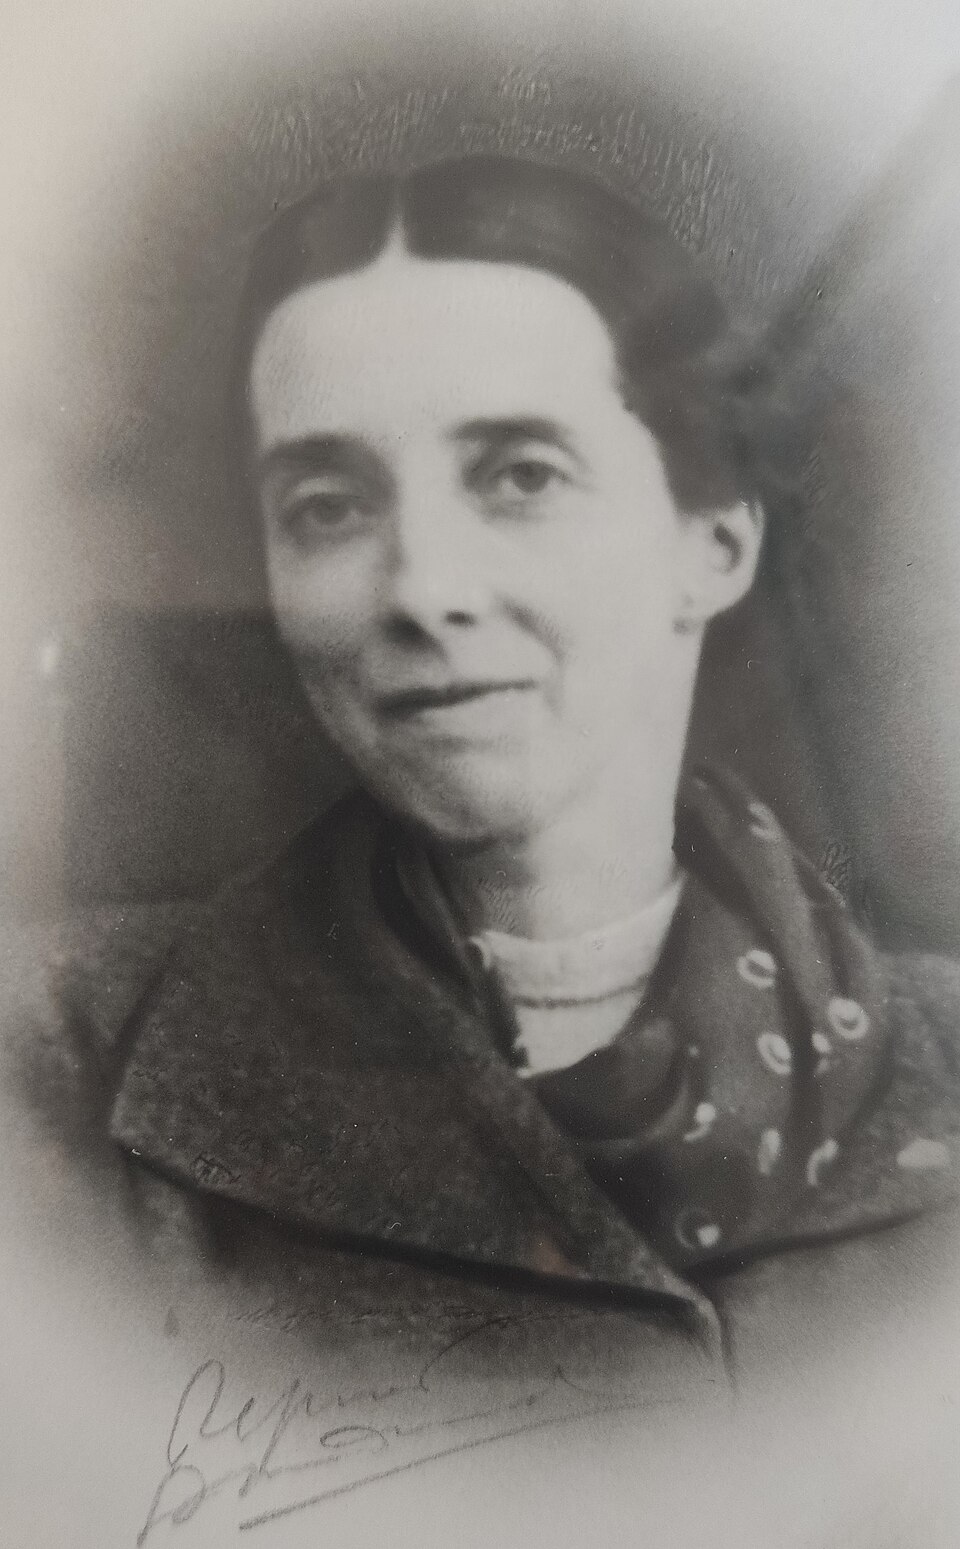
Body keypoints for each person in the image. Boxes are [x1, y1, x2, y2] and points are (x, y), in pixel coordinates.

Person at [27, 153, 960, 1397]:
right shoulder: (48, 1066)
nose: (422, 589)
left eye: (521, 475)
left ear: (714, 543)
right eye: (327, 504)